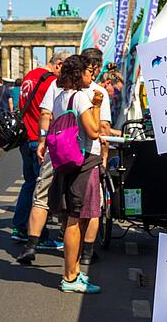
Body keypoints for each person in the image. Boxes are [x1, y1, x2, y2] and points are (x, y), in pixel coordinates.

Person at [16, 48, 111, 265]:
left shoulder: (56, 88)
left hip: (56, 151)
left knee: (42, 198)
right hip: (86, 156)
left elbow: (45, 115)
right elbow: (99, 130)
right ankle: (85, 252)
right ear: (91, 69)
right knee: (87, 206)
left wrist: (42, 140)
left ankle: (31, 246)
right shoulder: (96, 93)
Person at [47, 54, 103, 294]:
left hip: (67, 162)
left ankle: (75, 272)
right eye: (89, 71)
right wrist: (97, 106)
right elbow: (93, 131)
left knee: (75, 217)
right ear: (79, 74)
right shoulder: (80, 97)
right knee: (76, 219)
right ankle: (70, 277)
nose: (92, 75)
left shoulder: (60, 97)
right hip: (84, 161)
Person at [11, 51, 70, 242]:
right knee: (43, 190)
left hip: (26, 138)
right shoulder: (51, 82)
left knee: (29, 185)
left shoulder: (30, 76)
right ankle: (39, 236)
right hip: (40, 139)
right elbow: (51, 112)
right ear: (59, 64)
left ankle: (19, 227)